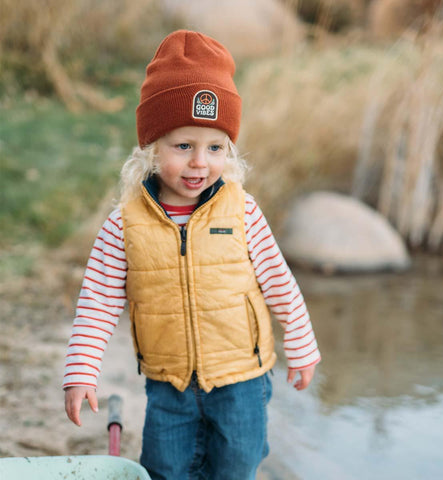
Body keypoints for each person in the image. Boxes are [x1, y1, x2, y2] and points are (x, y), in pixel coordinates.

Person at [63, 29, 321, 480]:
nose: (200, 162)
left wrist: (301, 343)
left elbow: (278, 280)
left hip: (242, 377)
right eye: (183, 146)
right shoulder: (125, 224)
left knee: (238, 465)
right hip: (170, 383)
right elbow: (98, 303)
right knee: (165, 469)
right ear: (151, 148)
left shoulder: (242, 210)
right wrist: (81, 371)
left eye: (215, 148)